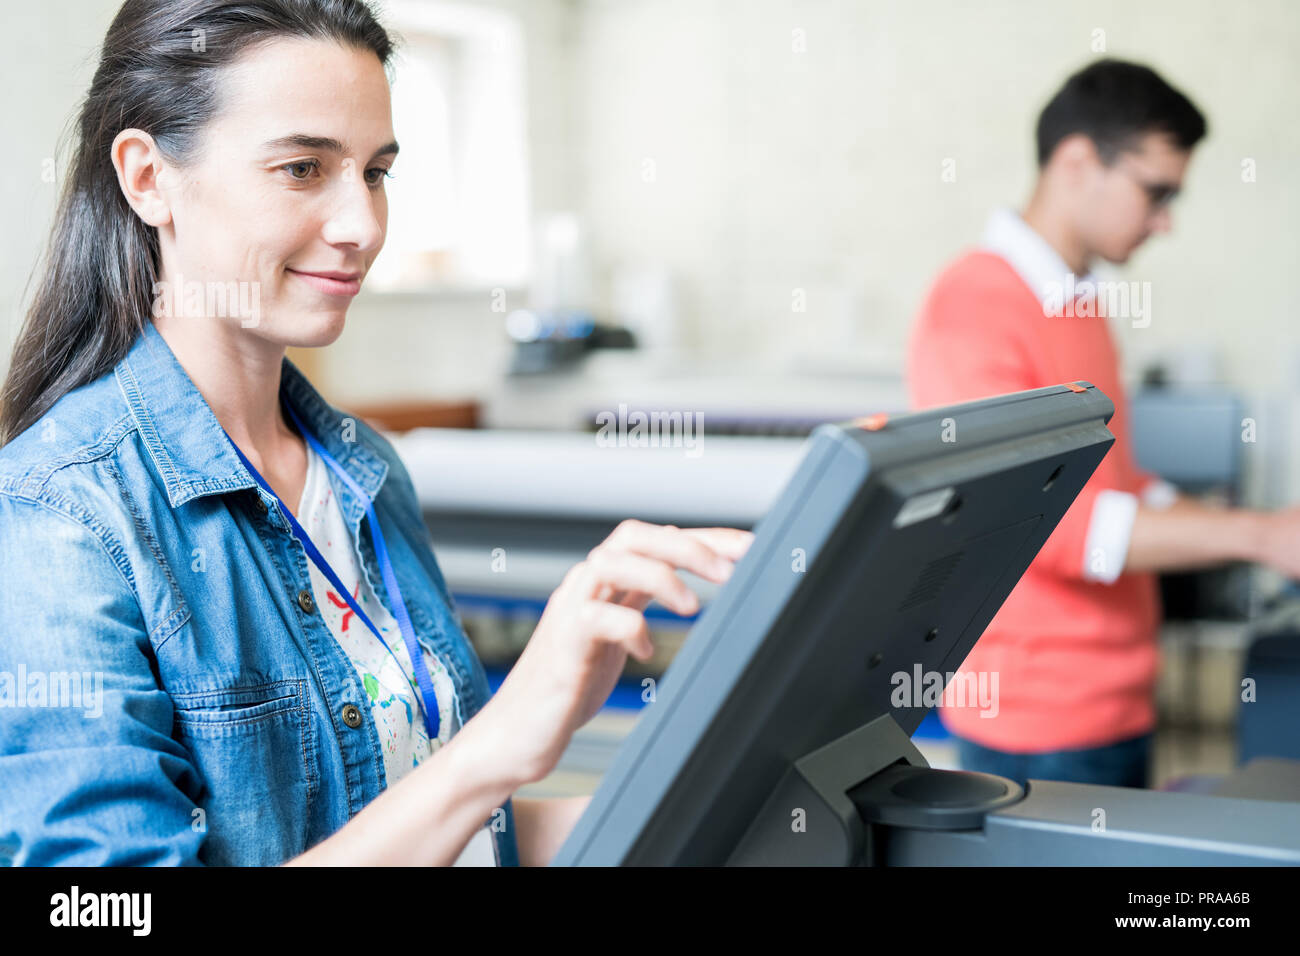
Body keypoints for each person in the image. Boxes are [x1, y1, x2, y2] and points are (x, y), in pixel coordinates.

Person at [0, 0, 752, 866]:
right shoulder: (59, 518)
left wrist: (736, 785)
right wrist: (496, 748)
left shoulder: (363, 470)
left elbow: (470, 839)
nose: (362, 225)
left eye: (375, 172)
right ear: (146, 177)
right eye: (301, 169)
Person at [907, 58, 1300, 789]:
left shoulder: (1078, 300)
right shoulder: (976, 303)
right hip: (1040, 718)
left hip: (1110, 700)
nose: (1164, 221)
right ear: (1078, 161)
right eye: (1155, 192)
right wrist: (1258, 537)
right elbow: (1043, 523)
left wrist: (1267, 528)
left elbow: (1119, 479)